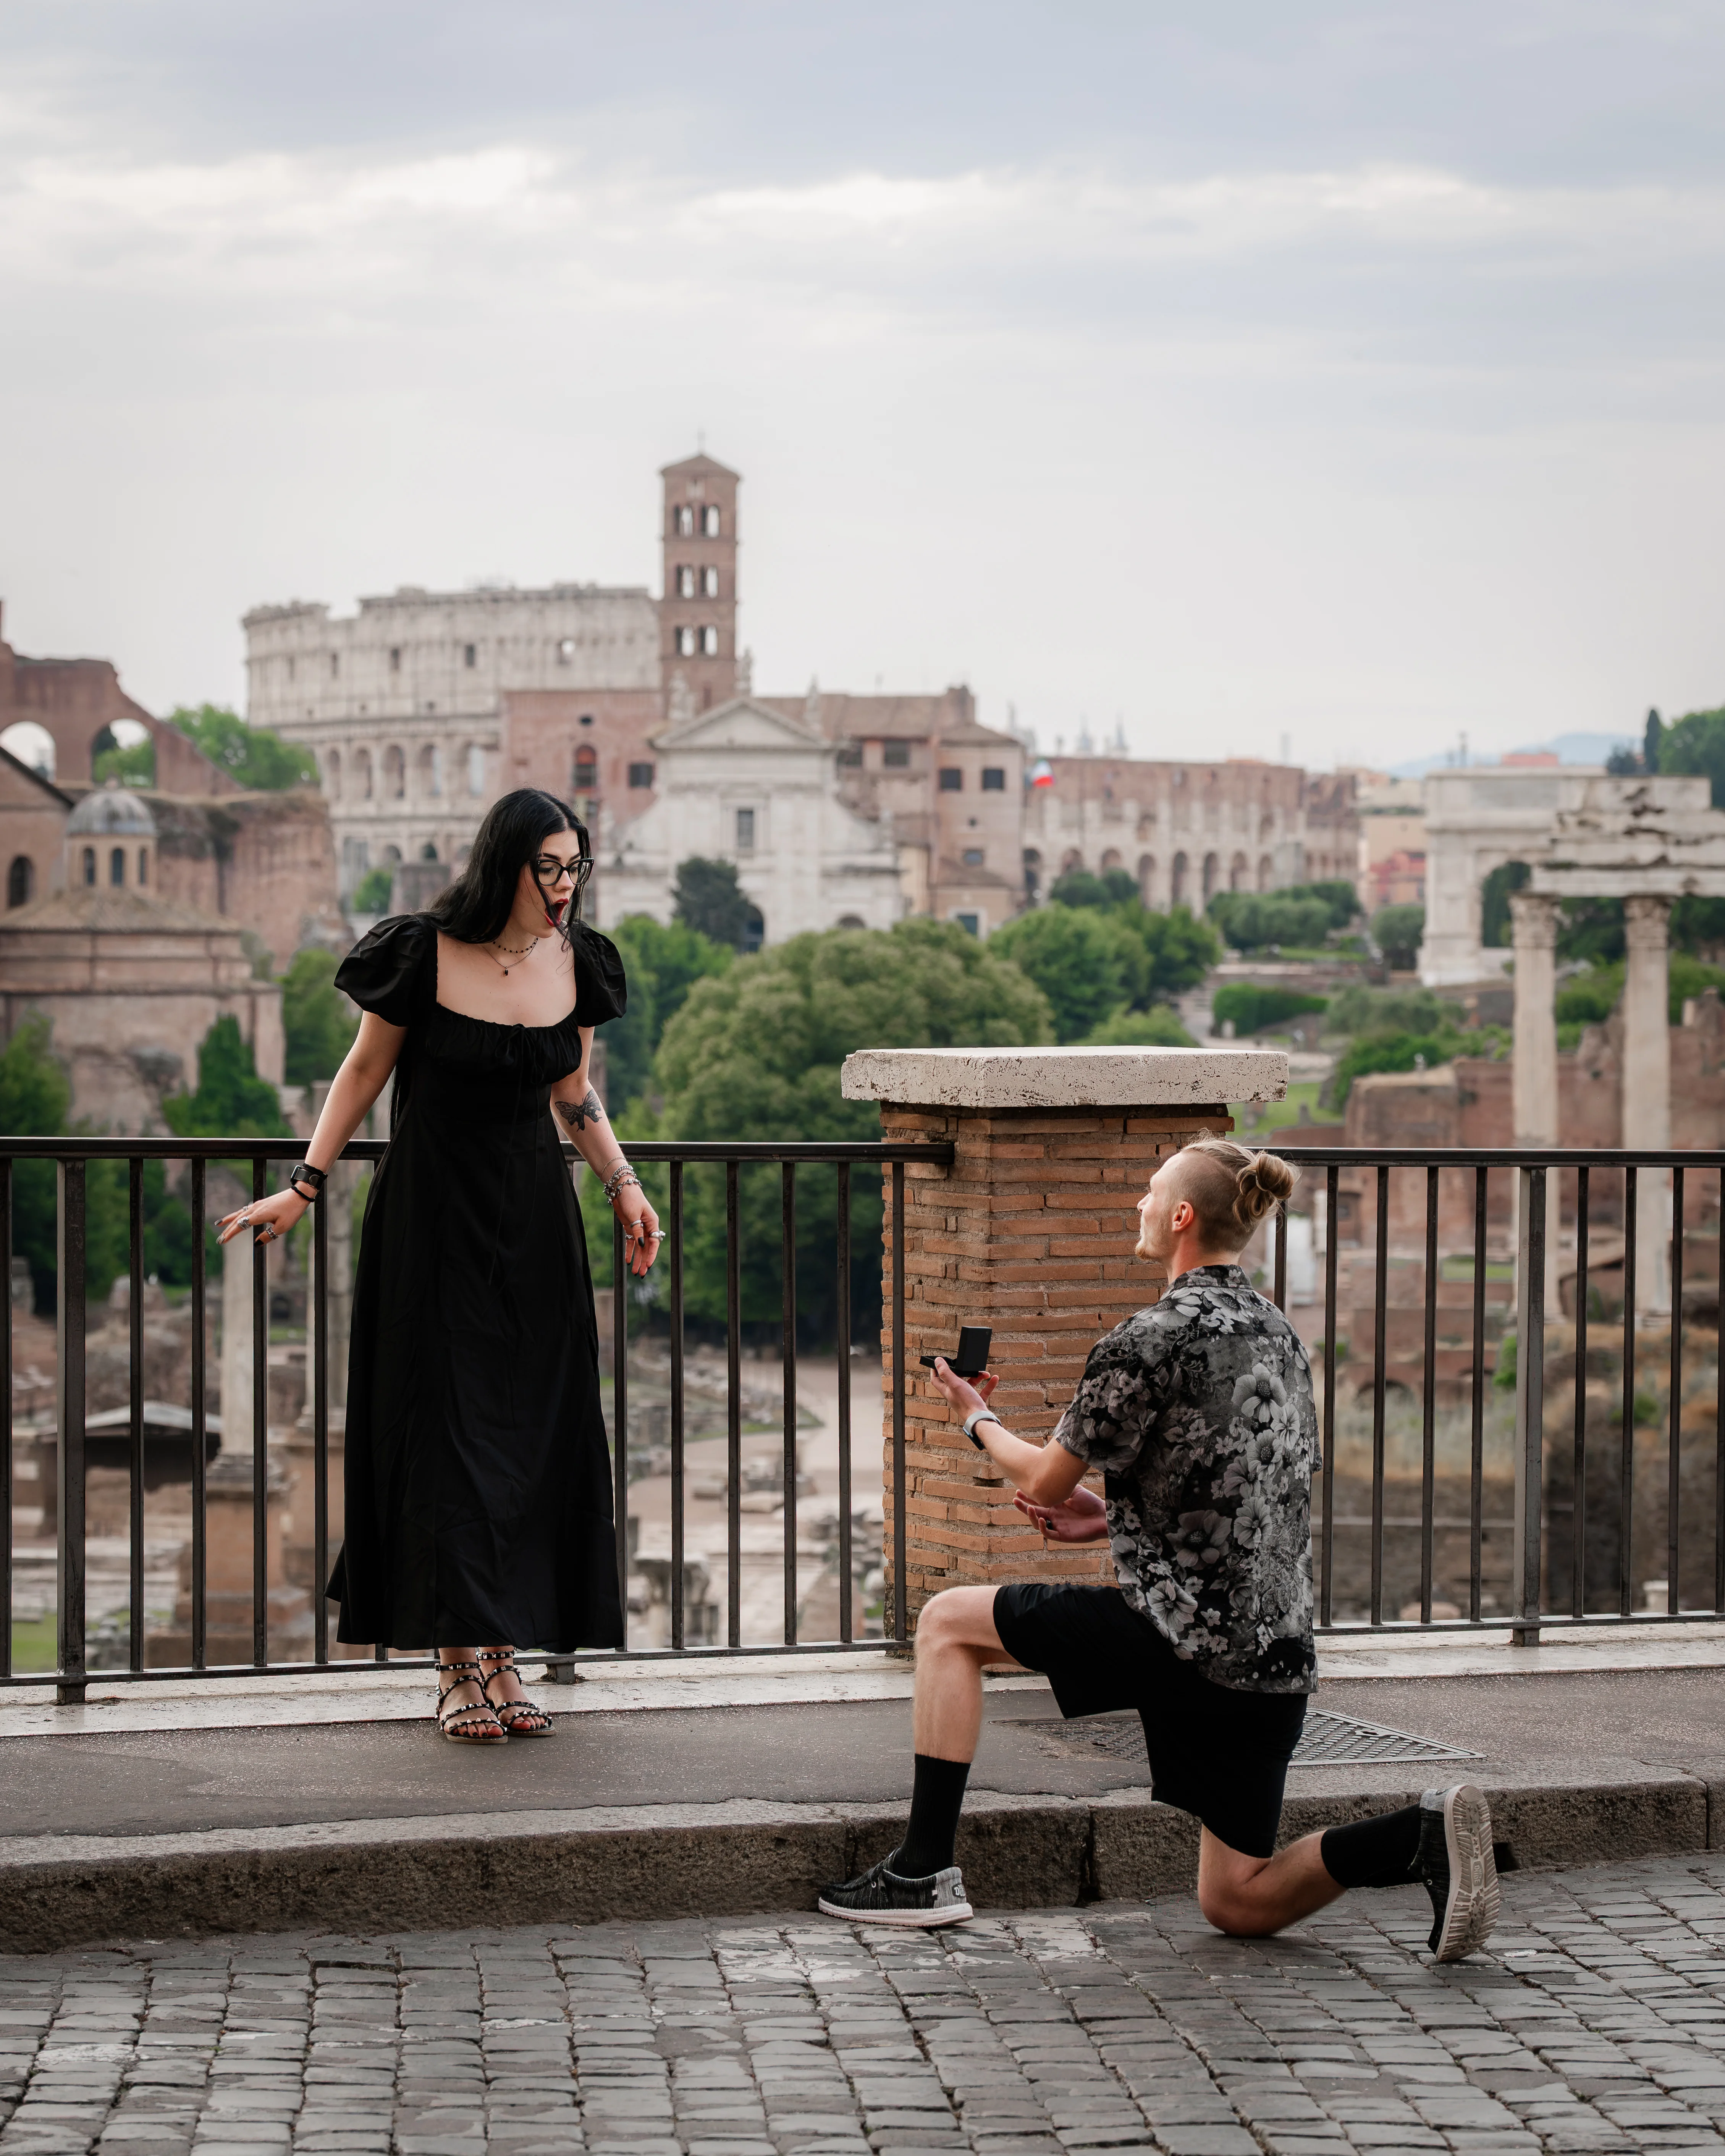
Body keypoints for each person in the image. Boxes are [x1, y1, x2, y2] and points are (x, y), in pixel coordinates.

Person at [818, 1137, 1500, 1961]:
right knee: (1237, 1903)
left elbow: (1036, 1480)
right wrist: (1110, 1519)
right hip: (1273, 1655)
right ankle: (1414, 1836)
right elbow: (1244, 1492)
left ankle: (921, 1872)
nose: (1134, 1204)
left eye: (1147, 1192)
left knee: (945, 1623)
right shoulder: (1280, 1337)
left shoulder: (1147, 1338)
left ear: (1180, 1216)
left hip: (1177, 1641)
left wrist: (972, 1413)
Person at [217, 789, 660, 1743]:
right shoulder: (419, 951)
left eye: (575, 867)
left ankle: (504, 1653)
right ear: (503, 863)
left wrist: (622, 1183)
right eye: (547, 867)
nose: (563, 886)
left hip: (537, 1228)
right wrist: (303, 1183)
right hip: (430, 1225)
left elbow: (573, 1093)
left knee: (530, 1435)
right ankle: (456, 1662)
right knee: (447, 1437)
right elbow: (364, 1072)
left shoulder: (578, 964)